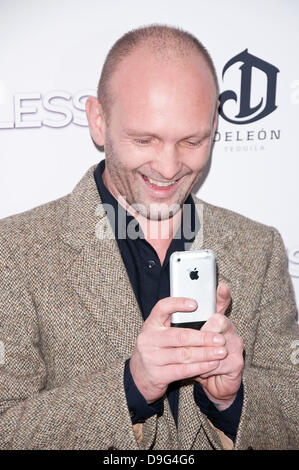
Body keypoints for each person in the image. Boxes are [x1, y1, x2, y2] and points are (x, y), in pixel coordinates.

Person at [0, 25, 298, 451]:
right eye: (145, 139)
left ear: (214, 125)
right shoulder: (14, 251)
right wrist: (130, 389)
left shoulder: (259, 248)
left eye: (192, 141)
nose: (169, 166)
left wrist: (232, 400)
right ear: (99, 121)